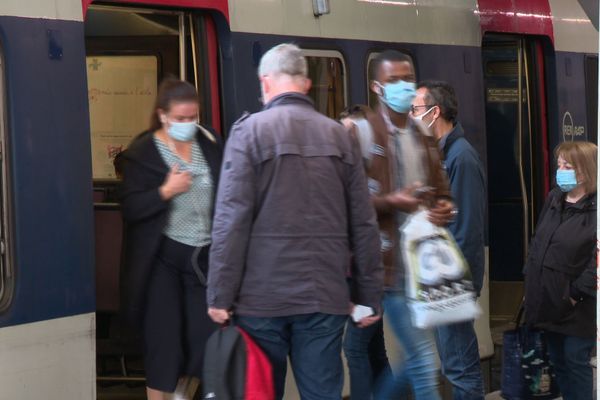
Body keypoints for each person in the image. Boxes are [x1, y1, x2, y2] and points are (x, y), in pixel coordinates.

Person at [206, 43, 383, 400]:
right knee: (322, 392)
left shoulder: (249, 133)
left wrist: (220, 295)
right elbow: (363, 223)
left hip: (260, 299)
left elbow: (231, 221)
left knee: (259, 392)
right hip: (324, 296)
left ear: (266, 82)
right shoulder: (338, 136)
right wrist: (369, 296)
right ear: (304, 84)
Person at [353, 50, 454, 399]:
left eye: (408, 78)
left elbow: (442, 192)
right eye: (394, 80)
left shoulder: (423, 133)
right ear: (377, 87)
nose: (403, 86)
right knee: (425, 359)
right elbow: (344, 204)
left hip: (422, 266)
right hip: (387, 268)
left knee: (420, 360)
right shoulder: (362, 134)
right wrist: (390, 202)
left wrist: (443, 208)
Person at [120, 78, 223, 400]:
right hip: (161, 260)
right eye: (180, 118)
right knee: (163, 343)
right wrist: (166, 191)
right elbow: (132, 208)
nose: (188, 124)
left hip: (203, 259)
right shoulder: (143, 153)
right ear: (163, 115)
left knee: (206, 340)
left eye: (192, 117)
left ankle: (181, 392)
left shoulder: (209, 143)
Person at [411, 80, 486, 399]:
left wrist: (451, 284)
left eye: (415, 109)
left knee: (459, 367)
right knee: (453, 364)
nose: (411, 115)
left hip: (452, 283)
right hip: (444, 280)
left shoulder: (460, 158)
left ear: (434, 111)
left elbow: (466, 229)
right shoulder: (443, 154)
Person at [524, 141, 597, 400]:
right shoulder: (555, 197)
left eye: (568, 165)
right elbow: (539, 240)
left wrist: (574, 294)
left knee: (575, 362)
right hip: (547, 300)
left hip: (577, 308)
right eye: (559, 165)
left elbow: (596, 261)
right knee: (558, 362)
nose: (561, 170)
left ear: (586, 170)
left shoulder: (595, 209)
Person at [340, 105, 393, 400]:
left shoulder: (373, 176)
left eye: (351, 131)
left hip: (372, 275)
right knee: (375, 348)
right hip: (363, 276)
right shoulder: (351, 173)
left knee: (355, 348)